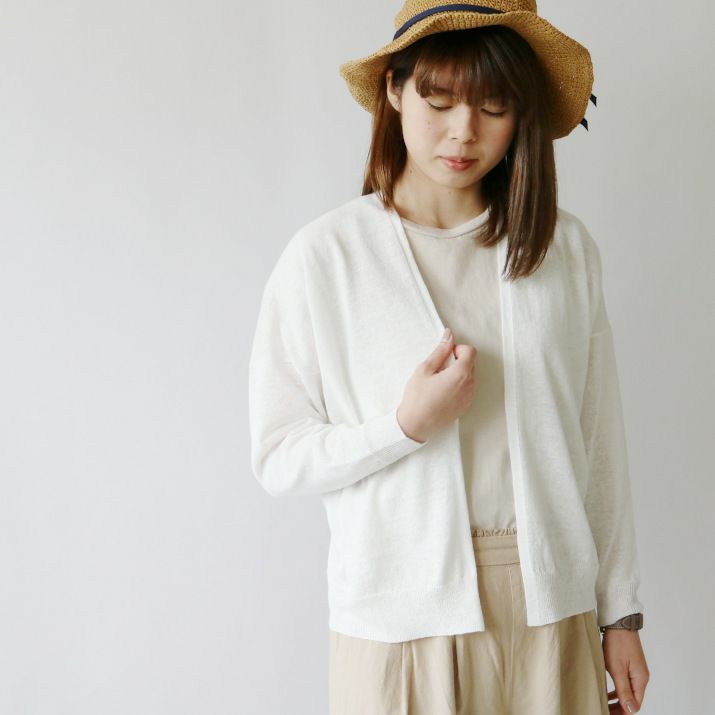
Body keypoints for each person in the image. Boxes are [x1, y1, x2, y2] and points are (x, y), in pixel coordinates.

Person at [248, 1, 650, 713]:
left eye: (494, 106)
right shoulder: (326, 258)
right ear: (394, 91)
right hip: (397, 620)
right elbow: (279, 455)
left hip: (550, 608)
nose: (464, 131)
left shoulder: (562, 251)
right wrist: (402, 427)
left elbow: (598, 444)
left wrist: (619, 613)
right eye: (438, 101)